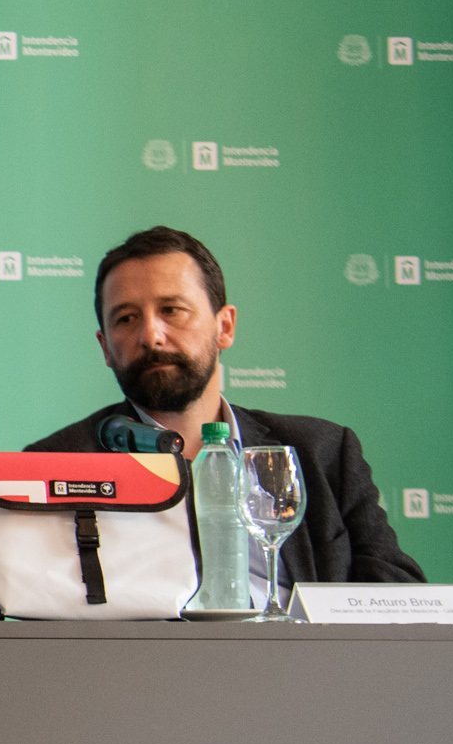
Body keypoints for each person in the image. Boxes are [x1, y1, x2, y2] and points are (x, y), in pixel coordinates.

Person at [29, 224, 423, 590]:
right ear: (105, 347)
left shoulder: (323, 452)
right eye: (127, 318)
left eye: (171, 310)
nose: (150, 335)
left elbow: (398, 598)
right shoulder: (58, 464)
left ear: (225, 327)